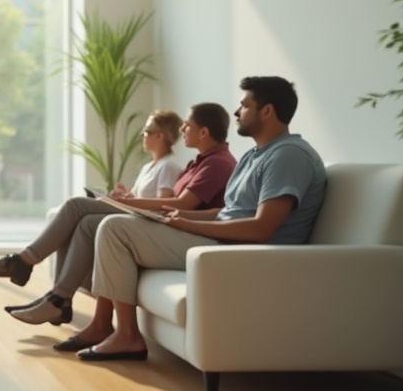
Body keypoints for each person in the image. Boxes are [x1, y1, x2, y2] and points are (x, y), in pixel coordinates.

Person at [77, 76, 327, 362]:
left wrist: (187, 224)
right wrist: (177, 214)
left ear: (267, 111)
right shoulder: (254, 156)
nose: (236, 112)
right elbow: (228, 211)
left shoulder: (289, 156)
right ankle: (111, 329)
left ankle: (126, 336)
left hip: (239, 251)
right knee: (116, 225)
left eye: (245, 105)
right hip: (219, 238)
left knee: (114, 229)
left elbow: (261, 229)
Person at [0, 105, 236, 330]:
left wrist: (129, 202)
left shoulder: (216, 163)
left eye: (187, 126)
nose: (183, 130)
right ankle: (58, 298)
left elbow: (180, 204)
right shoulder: (197, 163)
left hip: (177, 229)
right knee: (86, 221)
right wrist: (126, 198)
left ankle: (25, 263)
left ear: (204, 132)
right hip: (165, 222)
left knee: (77, 206)